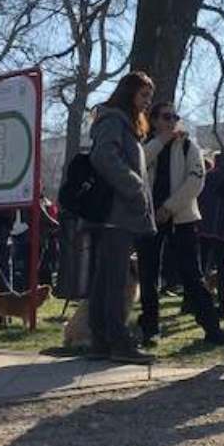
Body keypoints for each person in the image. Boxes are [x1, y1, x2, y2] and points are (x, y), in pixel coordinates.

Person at [136, 101, 224, 347]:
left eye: (174, 117)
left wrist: (169, 208)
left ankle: (211, 327)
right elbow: (138, 166)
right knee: (148, 275)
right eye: (166, 117)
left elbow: (195, 181)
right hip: (149, 217)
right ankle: (150, 328)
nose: (171, 121)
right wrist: (160, 141)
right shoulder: (146, 146)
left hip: (182, 218)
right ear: (155, 120)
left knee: (193, 274)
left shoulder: (190, 146)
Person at [86, 71, 158, 365]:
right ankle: (117, 340)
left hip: (119, 212)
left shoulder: (121, 123)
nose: (146, 103)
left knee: (106, 277)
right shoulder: (114, 121)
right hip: (116, 212)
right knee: (114, 280)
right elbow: (104, 156)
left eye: (149, 98)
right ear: (129, 93)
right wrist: (134, 185)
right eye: (143, 96)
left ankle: (102, 339)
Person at [198, 152, 224, 319]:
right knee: (223, 269)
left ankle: (192, 302)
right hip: (223, 229)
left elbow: (200, 199)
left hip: (204, 227)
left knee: (200, 267)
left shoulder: (208, 176)